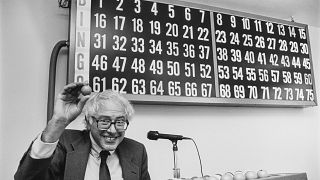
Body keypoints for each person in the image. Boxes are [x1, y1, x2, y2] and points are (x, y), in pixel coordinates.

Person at [14, 82, 151, 180]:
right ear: (89, 120)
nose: (112, 130)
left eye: (120, 122)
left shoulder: (136, 150)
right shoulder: (64, 142)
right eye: (104, 121)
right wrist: (58, 122)